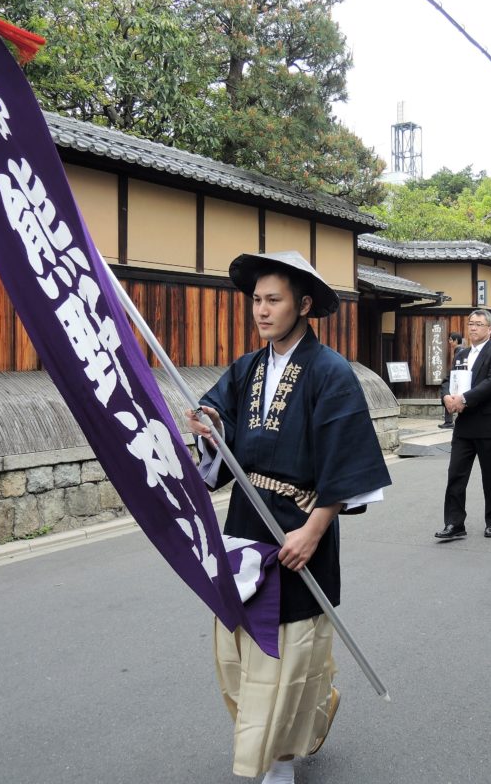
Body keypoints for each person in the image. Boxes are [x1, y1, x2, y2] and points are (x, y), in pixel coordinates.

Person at [185, 251, 391, 784]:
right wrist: (208, 423)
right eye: (256, 300)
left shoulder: (330, 372)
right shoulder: (247, 367)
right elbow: (221, 422)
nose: (261, 310)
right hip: (246, 523)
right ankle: (314, 707)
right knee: (237, 646)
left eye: (273, 299)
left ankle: (277, 763)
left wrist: (314, 530)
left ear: (303, 305)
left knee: (289, 652)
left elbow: (348, 462)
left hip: (301, 525)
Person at [434, 309, 491, 541]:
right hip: (464, 426)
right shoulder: (461, 354)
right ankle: (454, 523)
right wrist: (447, 397)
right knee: (456, 475)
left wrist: (464, 399)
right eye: (470, 323)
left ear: (490, 328)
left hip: (488, 425)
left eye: (478, 324)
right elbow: (449, 380)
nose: (473, 328)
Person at [439, 331, 467, 428]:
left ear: (456, 340)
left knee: (448, 395)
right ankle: (448, 421)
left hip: (457, 378)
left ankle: (449, 421)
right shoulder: (459, 351)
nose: (449, 341)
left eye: (451, 339)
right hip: (456, 378)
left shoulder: (460, 351)